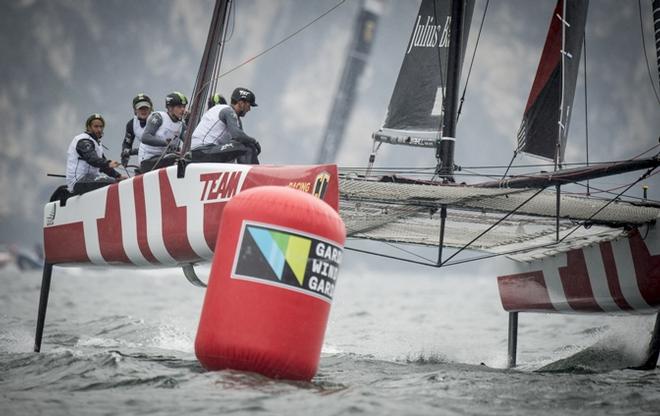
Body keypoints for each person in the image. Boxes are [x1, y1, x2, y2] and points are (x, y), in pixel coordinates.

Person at [190, 87, 261, 164]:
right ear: (241, 103)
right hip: (202, 151)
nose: (249, 109)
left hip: (206, 150)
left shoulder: (234, 118)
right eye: (249, 105)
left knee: (243, 146)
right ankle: (252, 174)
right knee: (247, 146)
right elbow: (238, 136)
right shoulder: (228, 111)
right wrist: (254, 141)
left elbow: (239, 139)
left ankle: (242, 173)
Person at [66, 113, 126, 195]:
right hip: (79, 181)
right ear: (89, 127)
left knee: (118, 182)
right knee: (113, 184)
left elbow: (103, 167)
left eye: (101, 127)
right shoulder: (83, 141)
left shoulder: (97, 143)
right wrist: (108, 163)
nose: (99, 129)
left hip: (90, 178)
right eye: (96, 126)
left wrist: (118, 176)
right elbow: (92, 159)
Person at [138, 91, 188, 172]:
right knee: (175, 160)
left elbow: (189, 143)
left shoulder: (181, 125)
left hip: (165, 158)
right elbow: (145, 137)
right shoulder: (158, 117)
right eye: (179, 107)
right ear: (170, 108)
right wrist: (166, 143)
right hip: (148, 160)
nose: (183, 110)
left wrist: (189, 120)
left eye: (184, 107)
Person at [121, 93, 153, 167]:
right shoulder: (131, 124)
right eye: (140, 108)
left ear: (151, 109)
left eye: (146, 108)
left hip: (161, 155)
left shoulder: (158, 120)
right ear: (135, 110)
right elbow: (127, 143)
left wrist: (133, 151)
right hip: (145, 159)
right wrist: (125, 156)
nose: (143, 111)